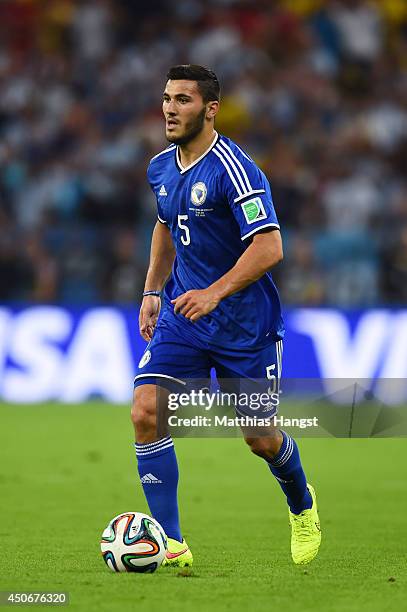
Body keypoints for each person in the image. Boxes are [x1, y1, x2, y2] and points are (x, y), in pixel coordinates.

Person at [131, 64, 321, 566]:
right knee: (146, 411)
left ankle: (301, 503)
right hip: (183, 316)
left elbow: (270, 246)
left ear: (210, 109)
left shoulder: (234, 168)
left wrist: (214, 293)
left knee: (259, 438)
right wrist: (152, 290)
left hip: (244, 326)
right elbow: (165, 225)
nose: (170, 109)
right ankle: (171, 544)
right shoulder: (160, 167)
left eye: (183, 101)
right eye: (167, 98)